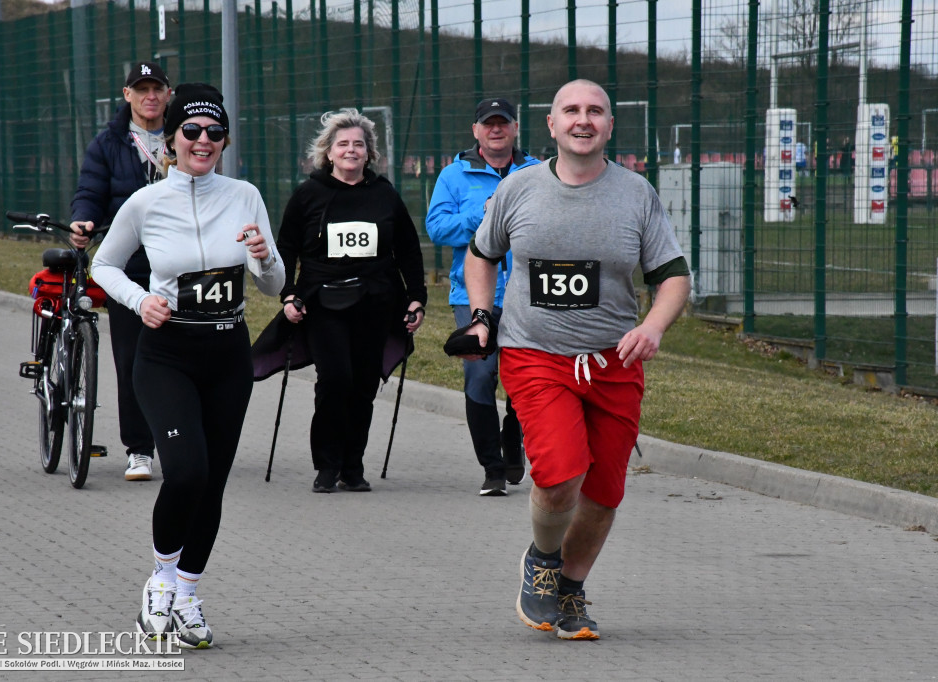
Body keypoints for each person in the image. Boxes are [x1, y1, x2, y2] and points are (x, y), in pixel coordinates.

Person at [454, 79, 690, 640]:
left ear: (609, 125)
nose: (583, 120)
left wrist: (653, 326)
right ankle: (541, 559)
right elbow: (481, 255)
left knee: (605, 490)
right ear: (552, 126)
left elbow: (674, 277)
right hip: (536, 354)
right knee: (561, 475)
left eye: (595, 112)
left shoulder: (636, 194)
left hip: (613, 361)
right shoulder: (519, 189)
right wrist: (483, 316)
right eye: (571, 111)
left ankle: (571, 589)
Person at [92, 83, 285, 648]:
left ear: (224, 141)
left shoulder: (245, 195)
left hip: (227, 353)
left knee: (214, 483)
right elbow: (105, 265)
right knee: (186, 472)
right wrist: (139, 299)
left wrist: (263, 256)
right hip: (167, 353)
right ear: (172, 140)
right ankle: (160, 578)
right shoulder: (148, 202)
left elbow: (273, 283)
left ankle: (189, 595)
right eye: (192, 132)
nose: (204, 141)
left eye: (215, 133)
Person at [276, 108, 427, 494]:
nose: (351, 150)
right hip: (324, 303)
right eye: (343, 144)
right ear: (328, 152)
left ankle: (352, 466)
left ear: (369, 152)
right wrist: (288, 293)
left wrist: (416, 298)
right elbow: (287, 247)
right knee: (335, 380)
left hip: (376, 302)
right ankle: (326, 465)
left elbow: (408, 250)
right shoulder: (308, 194)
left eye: (359, 144)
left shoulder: (384, 194)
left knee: (363, 385)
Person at [426, 97, 538, 497]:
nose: (496, 130)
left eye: (503, 123)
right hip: (473, 294)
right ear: (476, 131)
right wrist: (483, 215)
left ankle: (514, 442)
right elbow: (437, 228)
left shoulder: (538, 172)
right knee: (479, 374)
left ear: (515, 128)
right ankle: (492, 468)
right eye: (488, 124)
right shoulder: (454, 176)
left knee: (526, 377)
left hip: (529, 294)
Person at [69, 61, 172, 482]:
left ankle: (181, 438)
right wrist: (82, 221)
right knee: (132, 359)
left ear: (168, 94)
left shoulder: (186, 136)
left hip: (175, 265)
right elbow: (90, 192)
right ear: (126, 94)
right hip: (127, 267)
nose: (150, 96)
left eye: (157, 88)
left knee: (179, 358)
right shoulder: (108, 143)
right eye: (140, 88)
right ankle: (140, 450)